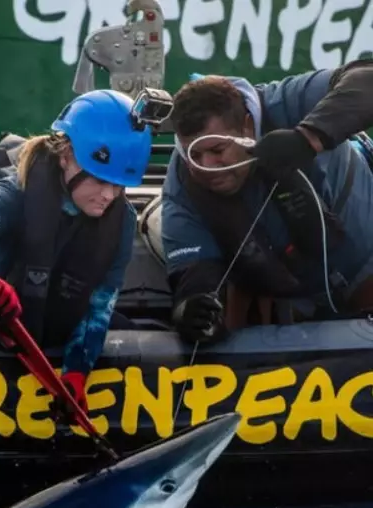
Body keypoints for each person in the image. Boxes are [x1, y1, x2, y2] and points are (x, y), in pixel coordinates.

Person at [160, 60, 373, 344]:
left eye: (216, 149)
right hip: (293, 303)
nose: (206, 166)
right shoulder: (181, 185)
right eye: (193, 155)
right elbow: (195, 273)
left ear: (248, 127)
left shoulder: (287, 102)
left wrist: (308, 138)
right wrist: (191, 307)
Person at [0, 89, 154, 413]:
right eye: (100, 180)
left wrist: (76, 372)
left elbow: (101, 302)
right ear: (66, 155)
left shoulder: (122, 220)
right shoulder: (15, 192)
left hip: (59, 331)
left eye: (118, 186)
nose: (108, 195)